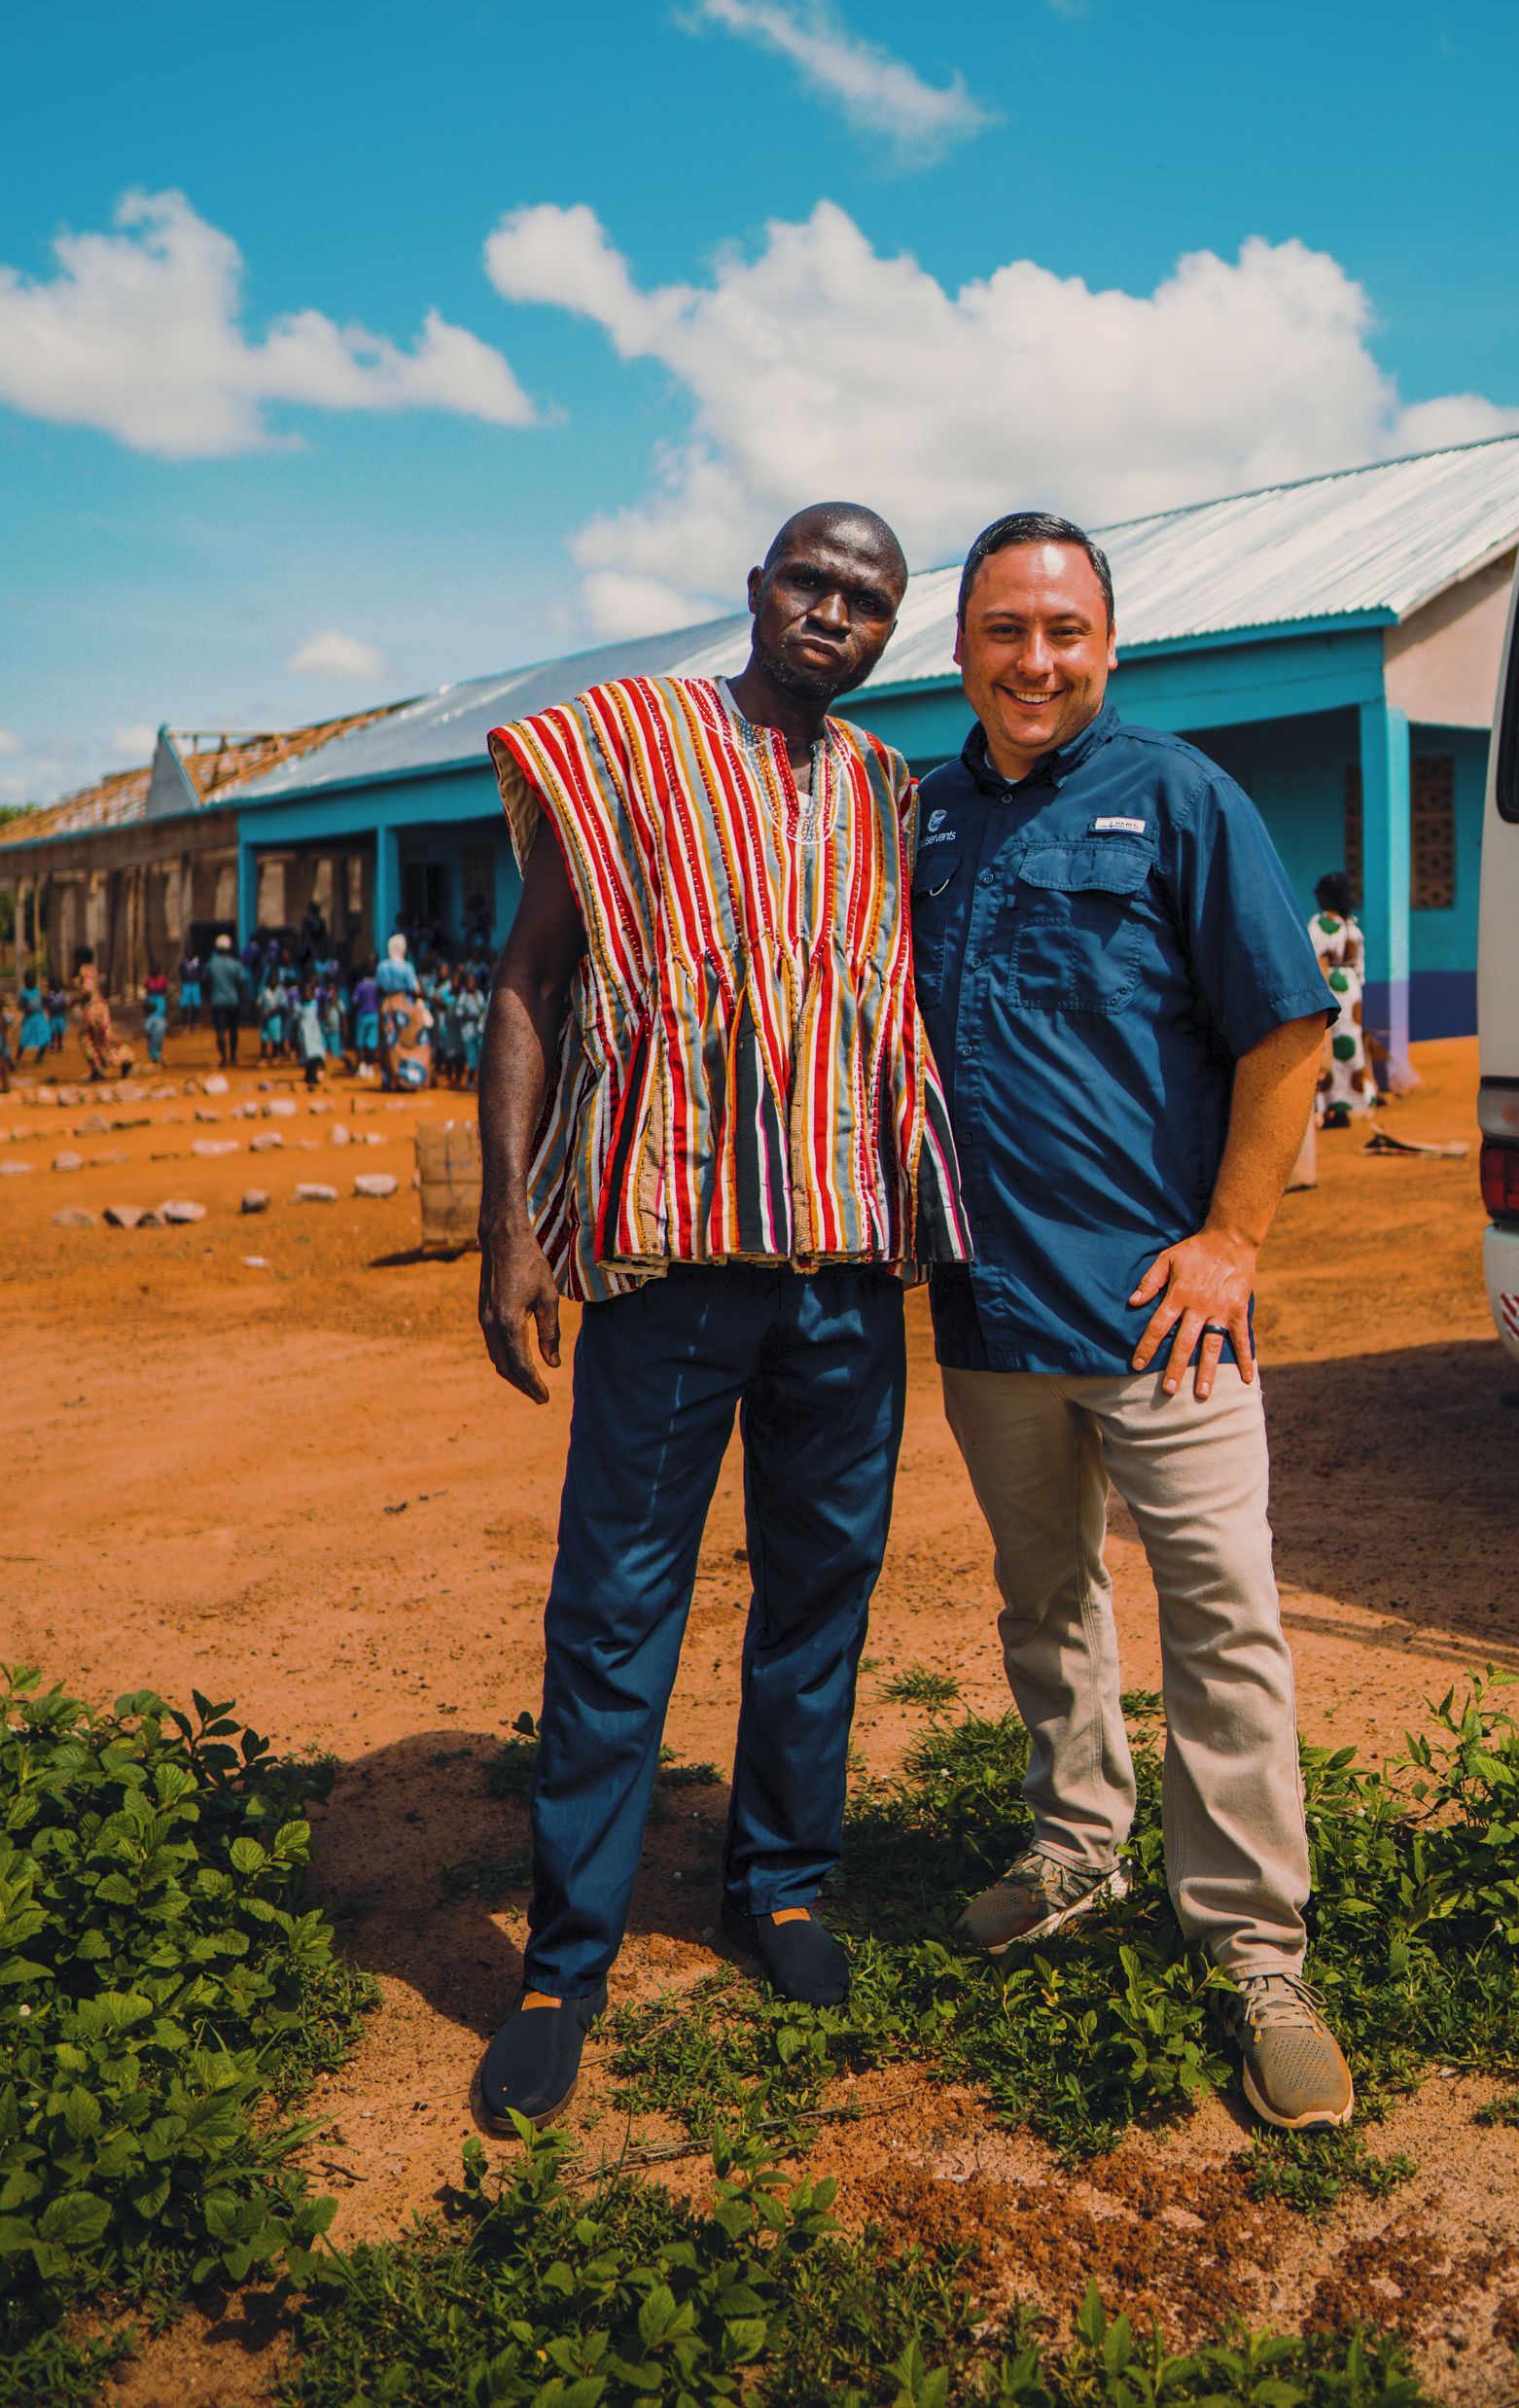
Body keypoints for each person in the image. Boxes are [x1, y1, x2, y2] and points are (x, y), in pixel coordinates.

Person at [471, 501, 967, 2138]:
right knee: (617, 1605)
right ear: (755, 589)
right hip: (667, 1269)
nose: (836, 613)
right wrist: (508, 1227)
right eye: (814, 582)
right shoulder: (626, 753)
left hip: (840, 1272)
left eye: (870, 601)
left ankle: (785, 1883)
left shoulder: (897, 792)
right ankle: (565, 1959)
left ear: (890, 633)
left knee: (821, 1590)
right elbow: (530, 983)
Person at [911, 511, 1355, 2138]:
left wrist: (1234, 1242)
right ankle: (1076, 1848)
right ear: (960, 648)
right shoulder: (923, 821)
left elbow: (1288, 1030)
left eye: (1065, 630)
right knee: (1047, 1603)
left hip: (1164, 1320)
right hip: (987, 1313)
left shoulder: (1180, 800)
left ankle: (1257, 1952)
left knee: (1223, 1619)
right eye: (1005, 630)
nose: (1037, 660)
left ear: (1112, 644)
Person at [1308, 872, 1374, 1127]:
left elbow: (1310, 955)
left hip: (1331, 985)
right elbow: (1360, 967)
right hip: (1352, 991)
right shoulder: (1352, 926)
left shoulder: (1321, 923)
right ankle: (1349, 1103)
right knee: (1350, 1046)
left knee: (1327, 1047)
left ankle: (1326, 1106)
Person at [375, 933, 420, 1091]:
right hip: (404, 1006)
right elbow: (414, 989)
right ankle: (405, 1078)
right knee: (406, 1043)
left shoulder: (382, 966)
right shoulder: (407, 967)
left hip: (387, 1006)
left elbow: (379, 989)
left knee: (387, 1042)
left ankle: (388, 1079)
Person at [71, 949, 121, 1080]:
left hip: (92, 1008)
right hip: (102, 1007)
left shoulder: (84, 970)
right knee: (104, 1038)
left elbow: (87, 989)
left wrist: (75, 997)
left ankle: (97, 1067)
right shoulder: (93, 969)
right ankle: (123, 1058)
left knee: (86, 1039)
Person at [204, 934, 249, 1069]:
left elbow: (206, 982)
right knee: (233, 1029)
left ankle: (223, 1058)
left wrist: (207, 998)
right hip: (233, 1001)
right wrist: (244, 1002)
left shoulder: (211, 964)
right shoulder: (235, 964)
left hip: (217, 1002)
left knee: (220, 1031)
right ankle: (233, 1056)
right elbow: (242, 985)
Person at [18, 976, 51, 1064]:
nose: (31, 981)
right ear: (25, 981)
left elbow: (43, 1001)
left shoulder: (37, 990)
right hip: (29, 1018)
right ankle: (17, 1058)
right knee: (25, 1038)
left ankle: (39, 1057)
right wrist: (27, 1006)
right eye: (29, 979)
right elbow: (20, 1006)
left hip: (40, 1017)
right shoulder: (23, 993)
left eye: (32, 979)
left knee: (46, 1036)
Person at [143, 977, 167, 1068]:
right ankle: (158, 1057)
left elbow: (147, 1028)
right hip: (161, 1032)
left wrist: (146, 1033)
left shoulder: (150, 1018)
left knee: (152, 1049)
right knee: (158, 1047)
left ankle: (157, 1059)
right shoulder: (160, 1015)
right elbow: (164, 1024)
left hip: (153, 1035)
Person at [178, 951, 203, 1032]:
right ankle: (183, 1024)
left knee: (196, 1005)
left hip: (195, 984)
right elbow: (180, 972)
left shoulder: (198, 962)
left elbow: (201, 972)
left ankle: (193, 1024)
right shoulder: (183, 963)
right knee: (184, 1005)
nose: (189, 954)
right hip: (186, 985)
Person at [46, 980, 68, 1057]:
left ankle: (60, 1045)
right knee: (52, 1032)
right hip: (53, 1016)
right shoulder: (50, 995)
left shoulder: (62, 994)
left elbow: (65, 1004)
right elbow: (48, 1004)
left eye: (58, 985)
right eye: (55, 985)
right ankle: (52, 1046)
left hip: (60, 1015)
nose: (56, 987)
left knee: (60, 1032)